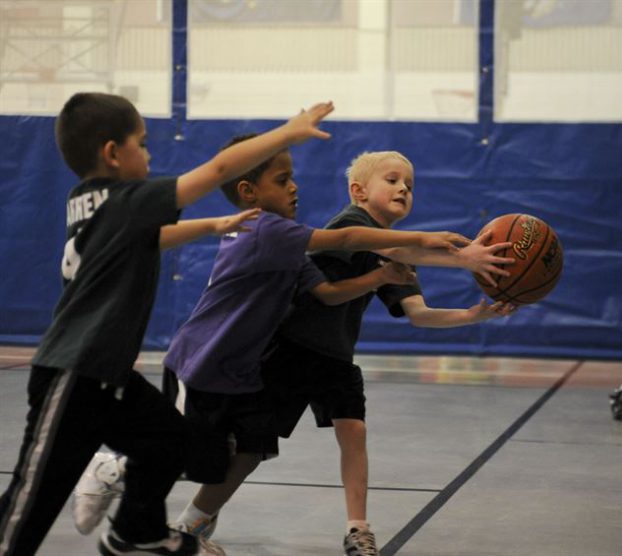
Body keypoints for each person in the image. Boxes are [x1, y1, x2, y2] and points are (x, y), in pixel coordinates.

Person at [71, 134, 473, 546]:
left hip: (247, 368)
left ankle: (190, 526)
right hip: (206, 359)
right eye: (283, 180)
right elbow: (350, 242)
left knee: (241, 452)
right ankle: (116, 468)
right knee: (187, 450)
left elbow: (332, 294)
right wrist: (441, 246)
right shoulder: (287, 228)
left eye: (410, 183)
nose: (294, 186)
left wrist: (459, 304)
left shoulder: (292, 242)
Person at [0, 92, 334, 556]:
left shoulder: (87, 201)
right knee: (30, 505)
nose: (150, 153)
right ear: (113, 154)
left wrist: (212, 225)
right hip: (72, 374)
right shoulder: (128, 197)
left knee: (168, 443)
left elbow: (151, 238)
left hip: (109, 378)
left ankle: (134, 533)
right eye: (143, 142)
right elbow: (218, 170)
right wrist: (287, 132)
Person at [177, 150, 517, 555]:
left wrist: (474, 314)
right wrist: (463, 258)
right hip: (289, 351)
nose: (403, 188)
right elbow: (357, 270)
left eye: (409, 183)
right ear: (358, 191)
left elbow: (419, 314)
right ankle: (191, 521)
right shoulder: (352, 223)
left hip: (335, 358)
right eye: (392, 180)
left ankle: (358, 529)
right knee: (251, 450)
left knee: (354, 431)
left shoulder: (395, 252)